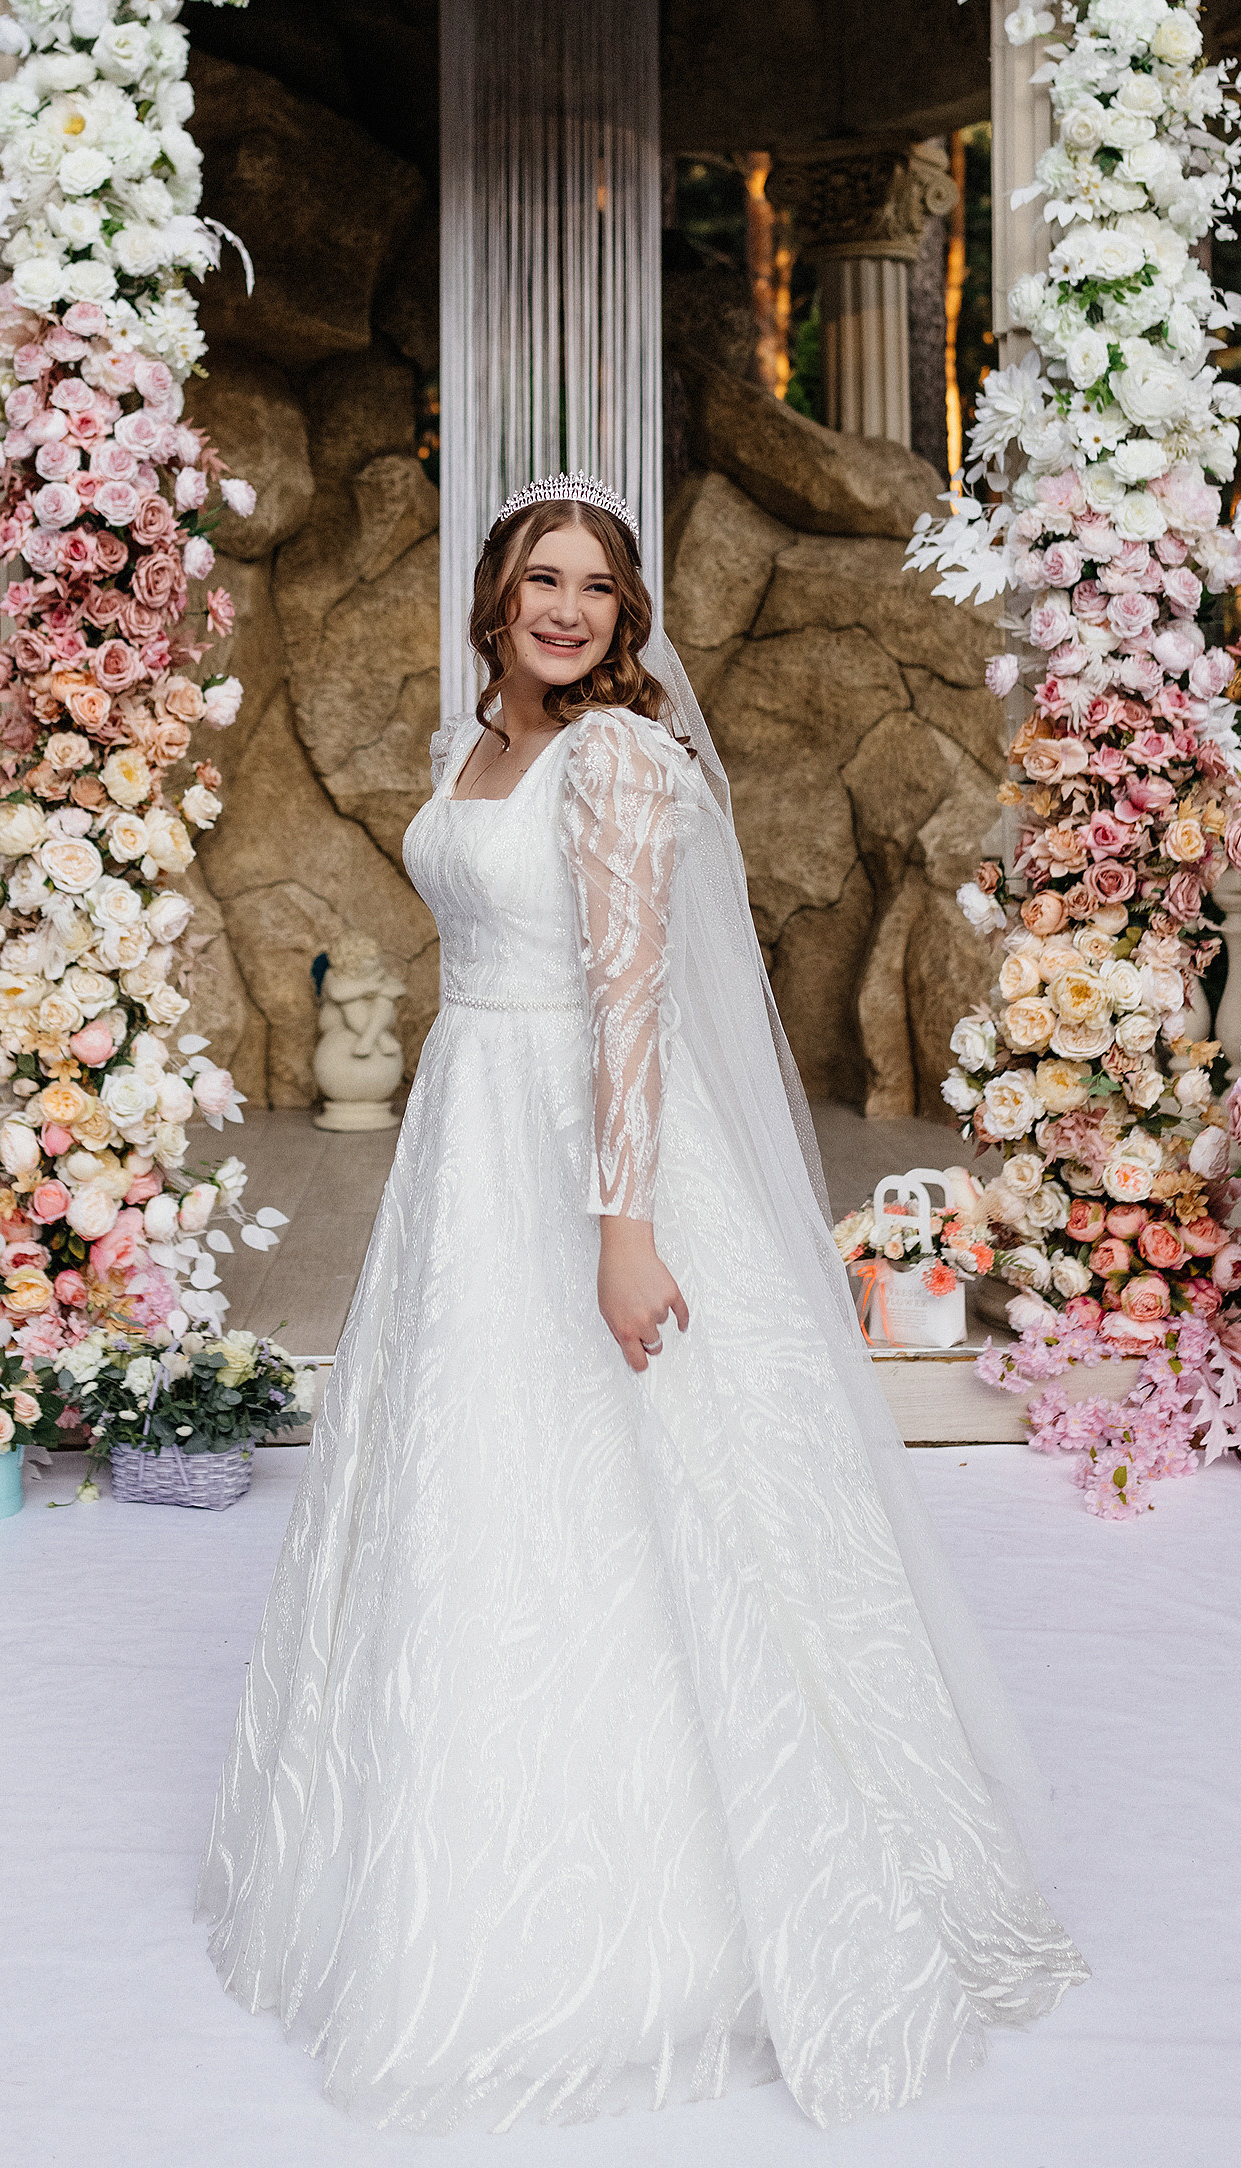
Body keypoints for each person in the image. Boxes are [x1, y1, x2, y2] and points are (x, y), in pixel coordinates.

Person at [200, 476, 1085, 2130]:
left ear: (627, 617)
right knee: (478, 1479)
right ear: (496, 595)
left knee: (653, 1484)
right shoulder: (483, 744)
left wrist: (624, 1229)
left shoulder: (613, 755)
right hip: (473, 1136)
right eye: (543, 578)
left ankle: (688, 1922)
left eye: (597, 587)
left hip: (585, 1142)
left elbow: (629, 998)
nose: (567, 608)